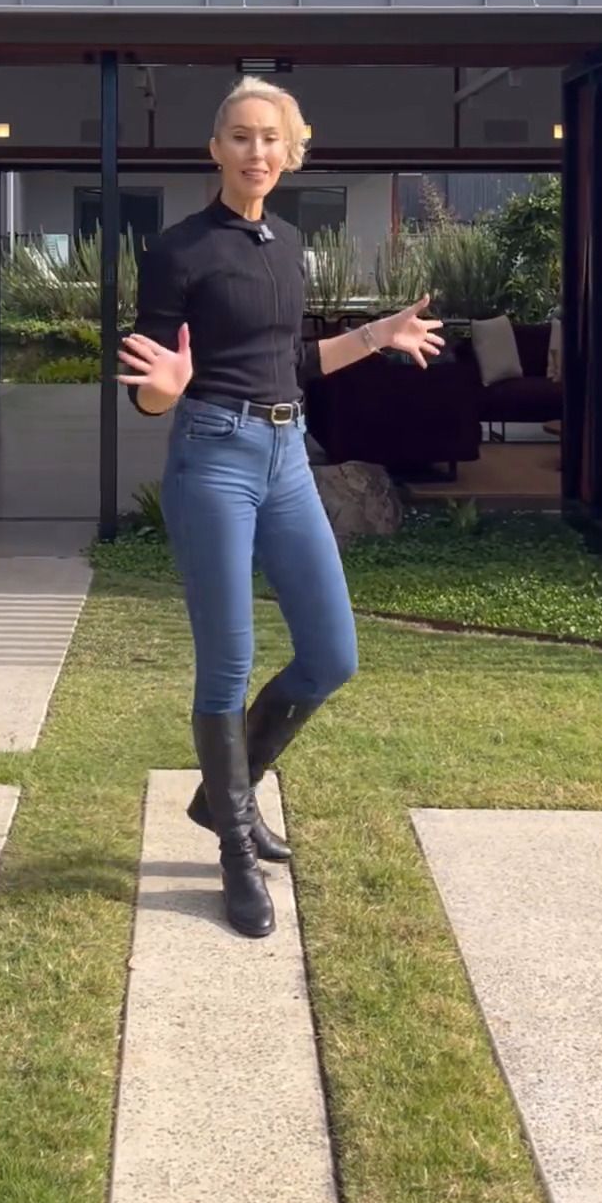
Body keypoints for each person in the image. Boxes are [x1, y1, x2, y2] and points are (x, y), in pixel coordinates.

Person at [118, 78, 444, 939]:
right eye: (239, 136)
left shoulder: (288, 241)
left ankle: (220, 798)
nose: (255, 150)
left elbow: (289, 361)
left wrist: (378, 334)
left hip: (288, 455)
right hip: (213, 457)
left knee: (332, 654)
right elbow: (148, 387)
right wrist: (164, 389)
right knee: (227, 663)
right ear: (215, 149)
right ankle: (234, 848)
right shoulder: (179, 251)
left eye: (270, 137)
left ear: (292, 151)